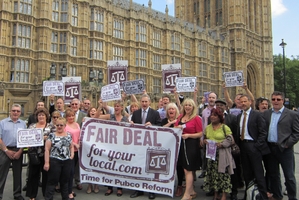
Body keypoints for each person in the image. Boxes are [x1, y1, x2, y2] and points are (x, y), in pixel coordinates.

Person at [263, 91, 299, 200]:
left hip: (285, 150)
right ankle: (277, 196)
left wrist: (287, 144)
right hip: (271, 148)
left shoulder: (292, 114)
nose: (276, 101)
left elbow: (296, 133)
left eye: (278, 99)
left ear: (283, 100)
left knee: (289, 176)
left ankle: (292, 197)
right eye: (273, 99)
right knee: (274, 175)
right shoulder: (267, 113)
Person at [238, 94, 269, 200]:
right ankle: (249, 195)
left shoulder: (256, 115)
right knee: (246, 173)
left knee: (258, 172)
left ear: (250, 102)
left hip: (253, 146)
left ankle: (263, 196)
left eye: (245, 101)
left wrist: (257, 146)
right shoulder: (239, 116)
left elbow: (263, 132)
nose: (243, 104)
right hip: (243, 146)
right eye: (241, 102)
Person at [130, 94, 161, 199]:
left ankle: (151, 190)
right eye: (142, 102)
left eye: (146, 102)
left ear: (149, 102)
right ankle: (138, 189)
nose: (144, 103)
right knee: (138, 167)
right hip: (138, 145)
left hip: (150, 144)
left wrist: (153, 126)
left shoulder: (155, 113)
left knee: (150, 168)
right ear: (140, 102)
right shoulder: (136, 113)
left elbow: (160, 127)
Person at [97, 100, 129, 197]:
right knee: (110, 166)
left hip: (121, 147)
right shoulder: (109, 117)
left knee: (120, 167)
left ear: (122, 108)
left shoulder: (125, 119)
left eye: (118, 106)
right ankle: (110, 188)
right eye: (115, 106)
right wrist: (100, 106)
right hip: (110, 146)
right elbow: (96, 117)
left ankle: (119, 188)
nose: (116, 108)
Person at [203, 108, 235, 200]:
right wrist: (205, 141)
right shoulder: (208, 128)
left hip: (222, 154)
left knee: (223, 175)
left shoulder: (224, 127)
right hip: (211, 154)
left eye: (215, 115)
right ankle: (216, 194)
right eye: (212, 115)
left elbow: (230, 140)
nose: (213, 117)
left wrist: (221, 144)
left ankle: (224, 195)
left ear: (220, 117)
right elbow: (205, 138)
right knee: (213, 175)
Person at [174, 98, 202, 200]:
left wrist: (189, 135)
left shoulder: (196, 118)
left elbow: (200, 133)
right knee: (184, 168)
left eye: (189, 105)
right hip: (181, 144)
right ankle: (192, 191)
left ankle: (187, 194)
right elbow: (175, 126)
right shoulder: (181, 116)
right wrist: (178, 128)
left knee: (188, 170)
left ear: (193, 107)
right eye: (186, 105)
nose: (187, 107)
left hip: (191, 145)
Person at [26, 108, 54, 200]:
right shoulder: (32, 126)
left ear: (46, 116)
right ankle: (32, 195)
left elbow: (54, 139)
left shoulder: (51, 127)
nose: (41, 116)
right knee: (33, 175)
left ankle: (47, 195)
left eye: (43, 115)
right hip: (34, 154)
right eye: (39, 115)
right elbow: (26, 138)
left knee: (47, 176)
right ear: (36, 117)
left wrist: (47, 139)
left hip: (46, 155)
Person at [0, 104, 26, 200]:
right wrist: (6, 150)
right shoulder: (2, 123)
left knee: (17, 173)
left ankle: (17, 194)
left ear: (20, 112)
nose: (15, 112)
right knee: (2, 174)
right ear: (10, 111)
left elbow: (25, 139)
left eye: (18, 111)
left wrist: (20, 151)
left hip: (18, 150)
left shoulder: (23, 124)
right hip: (5, 150)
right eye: (14, 110)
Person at [44, 117, 74, 200]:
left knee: (65, 182)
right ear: (55, 125)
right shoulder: (51, 135)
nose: (59, 126)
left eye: (61, 125)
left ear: (65, 125)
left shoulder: (68, 135)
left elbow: (71, 146)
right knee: (52, 182)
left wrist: (71, 155)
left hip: (66, 161)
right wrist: (47, 162)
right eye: (58, 125)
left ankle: (65, 198)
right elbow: (47, 149)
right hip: (55, 161)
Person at [215, 99, 240, 200]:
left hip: (229, 149)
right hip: (218, 149)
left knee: (232, 171)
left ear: (225, 107)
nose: (219, 107)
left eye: (221, 105)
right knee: (219, 171)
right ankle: (219, 190)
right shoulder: (212, 117)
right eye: (217, 105)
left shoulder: (232, 118)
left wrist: (234, 145)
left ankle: (234, 191)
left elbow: (236, 133)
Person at [161, 103, 183, 197]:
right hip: (166, 147)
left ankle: (179, 185)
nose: (171, 111)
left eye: (173, 109)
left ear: (176, 111)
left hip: (178, 147)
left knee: (179, 166)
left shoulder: (180, 121)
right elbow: (160, 129)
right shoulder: (164, 121)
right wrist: (170, 124)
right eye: (169, 109)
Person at [199, 92, 217, 179]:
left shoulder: (218, 111)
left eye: (213, 98)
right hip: (207, 137)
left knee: (215, 160)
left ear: (215, 99)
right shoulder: (204, 111)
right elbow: (203, 125)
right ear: (207, 99)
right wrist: (202, 137)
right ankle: (205, 173)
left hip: (216, 137)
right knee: (206, 158)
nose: (211, 99)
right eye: (210, 97)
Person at [85, 107, 100, 194]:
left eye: (94, 111)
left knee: (97, 166)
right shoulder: (85, 121)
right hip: (88, 147)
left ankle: (96, 185)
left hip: (98, 146)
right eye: (91, 111)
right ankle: (89, 185)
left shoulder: (100, 121)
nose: (93, 112)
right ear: (89, 112)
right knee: (89, 166)